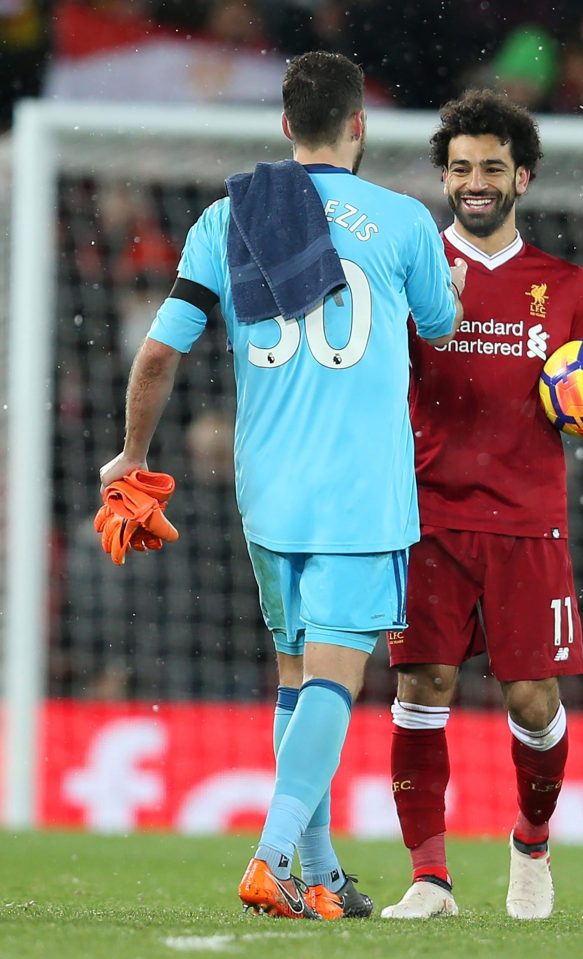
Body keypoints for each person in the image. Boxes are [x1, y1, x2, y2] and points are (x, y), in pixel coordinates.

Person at [99, 50, 466, 921]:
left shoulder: (225, 219)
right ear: (359, 126)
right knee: (336, 680)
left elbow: (157, 352)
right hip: (360, 488)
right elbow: (441, 329)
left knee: (296, 677)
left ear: (284, 126)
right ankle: (270, 857)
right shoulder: (405, 218)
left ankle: (323, 873)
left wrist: (128, 454)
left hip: (266, 488)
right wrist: (446, 282)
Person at [382, 89, 583, 921]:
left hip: (527, 518)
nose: (474, 180)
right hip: (426, 515)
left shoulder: (563, 284)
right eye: (460, 166)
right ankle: (428, 877)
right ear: (442, 176)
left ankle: (530, 843)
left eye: (491, 167)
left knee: (533, 699)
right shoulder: (410, 271)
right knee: (421, 685)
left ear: (521, 178)